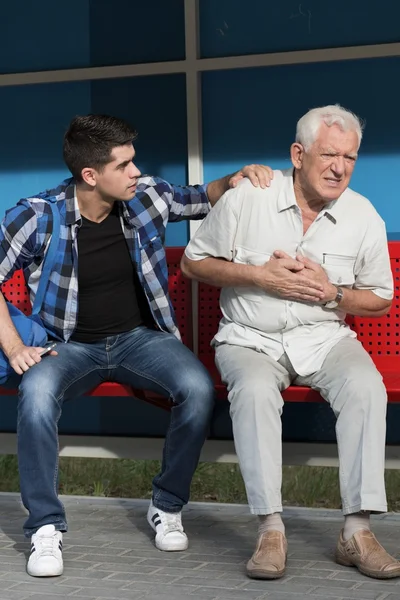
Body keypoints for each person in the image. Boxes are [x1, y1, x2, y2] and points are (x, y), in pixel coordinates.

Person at [0, 114, 282, 578]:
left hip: (138, 340)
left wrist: (236, 178)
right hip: (68, 346)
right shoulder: (37, 215)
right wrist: (14, 348)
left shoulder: (145, 196)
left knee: (197, 388)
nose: (137, 172)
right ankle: (45, 529)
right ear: (91, 176)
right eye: (125, 164)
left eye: (135, 161)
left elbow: (201, 197)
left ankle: (166, 507)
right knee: (34, 397)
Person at [181, 105, 400, 580]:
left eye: (350, 157)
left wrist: (333, 293)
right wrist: (259, 278)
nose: (339, 167)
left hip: (324, 338)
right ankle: (271, 528)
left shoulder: (364, 216)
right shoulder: (247, 198)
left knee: (367, 386)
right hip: (250, 338)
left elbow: (381, 297)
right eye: (328, 155)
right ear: (298, 155)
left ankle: (357, 532)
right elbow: (194, 264)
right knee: (257, 392)